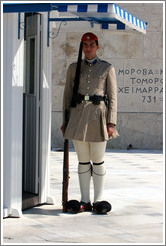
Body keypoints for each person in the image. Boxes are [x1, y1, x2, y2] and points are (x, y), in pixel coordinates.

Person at [61, 32, 119, 214]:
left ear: (97, 46)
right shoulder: (74, 68)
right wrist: (65, 120)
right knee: (83, 161)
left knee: (98, 160)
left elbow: (113, 98)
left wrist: (111, 123)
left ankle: (98, 199)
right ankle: (85, 200)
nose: (88, 48)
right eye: (85, 45)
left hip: (98, 117)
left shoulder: (107, 68)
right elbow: (67, 96)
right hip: (78, 117)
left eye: (91, 45)